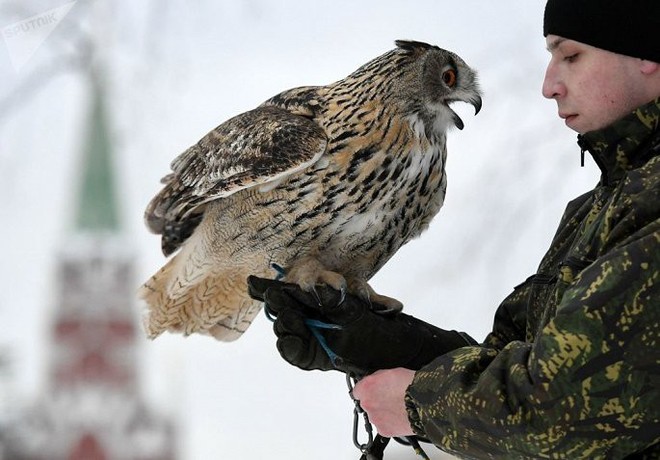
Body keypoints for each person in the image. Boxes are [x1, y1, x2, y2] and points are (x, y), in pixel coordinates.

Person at [248, 0, 660, 457]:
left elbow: (563, 408)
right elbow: (520, 360)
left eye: (571, 56)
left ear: (646, 53)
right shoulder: (606, 205)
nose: (549, 86)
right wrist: (398, 350)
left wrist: (417, 402)